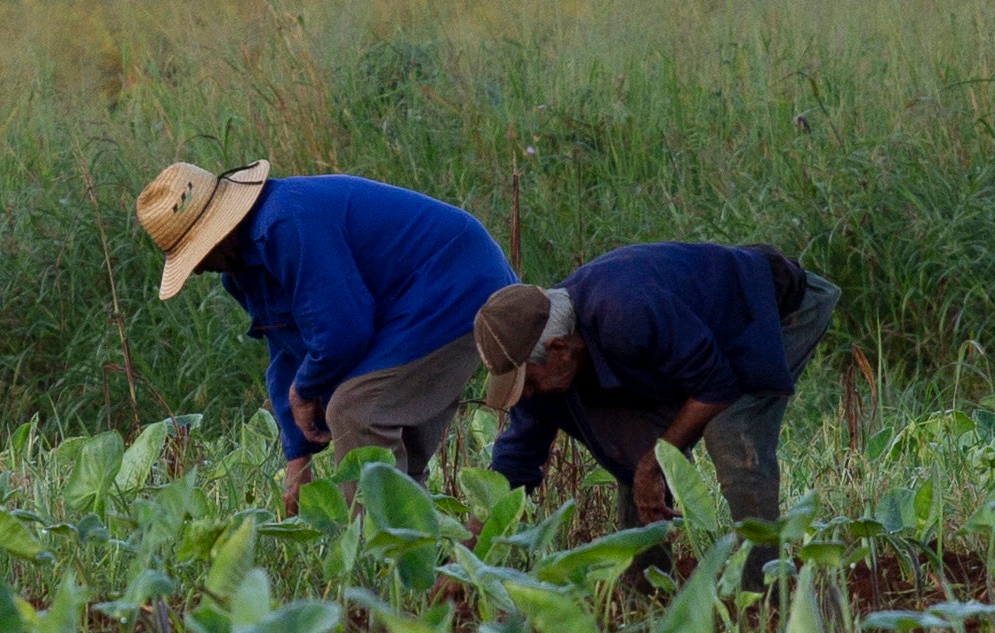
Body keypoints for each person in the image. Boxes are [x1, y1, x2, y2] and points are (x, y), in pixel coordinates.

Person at [134, 159, 517, 513]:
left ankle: (377, 556)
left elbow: (343, 331)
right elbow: (287, 351)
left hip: (457, 281)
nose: (197, 270)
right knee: (390, 453)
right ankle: (415, 563)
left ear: (220, 233)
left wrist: (305, 391)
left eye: (196, 255)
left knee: (357, 409)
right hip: (417, 299)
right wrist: (297, 458)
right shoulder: (241, 273)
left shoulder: (285, 221)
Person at [476, 242, 840, 587]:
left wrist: (653, 463)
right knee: (631, 445)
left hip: (773, 312)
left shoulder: (625, 312)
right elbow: (514, 467)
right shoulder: (542, 351)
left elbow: (717, 386)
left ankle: (764, 590)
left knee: (731, 433)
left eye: (529, 383)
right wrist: (468, 562)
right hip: (697, 342)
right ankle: (648, 590)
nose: (527, 395)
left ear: (560, 349)